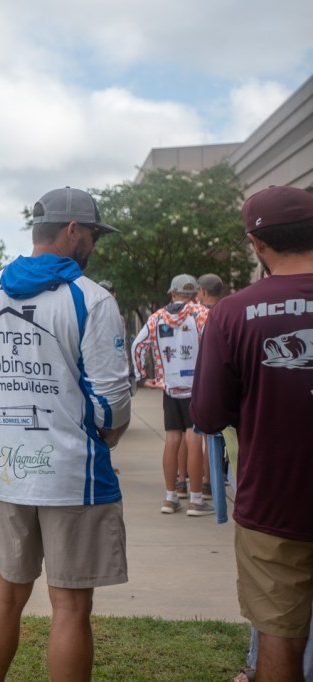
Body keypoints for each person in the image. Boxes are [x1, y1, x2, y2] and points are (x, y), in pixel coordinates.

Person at [0, 186, 132, 681]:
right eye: (93, 233)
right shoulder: (91, 298)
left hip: (5, 470)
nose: (94, 243)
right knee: (71, 607)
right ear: (73, 230)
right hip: (71, 475)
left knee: (5, 593)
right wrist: (108, 435)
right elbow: (112, 399)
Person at [190, 185, 313, 682]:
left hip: (274, 505)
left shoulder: (231, 313)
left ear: (257, 244)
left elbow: (207, 415)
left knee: (279, 641)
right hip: (272, 507)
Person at [131, 274, 213, 515]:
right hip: (196, 386)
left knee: (172, 438)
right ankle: (196, 500)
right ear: (195, 293)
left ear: (173, 293)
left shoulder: (157, 317)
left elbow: (138, 345)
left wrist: (141, 376)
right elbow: (216, 343)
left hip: (169, 387)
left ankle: (170, 497)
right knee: (194, 438)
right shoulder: (201, 314)